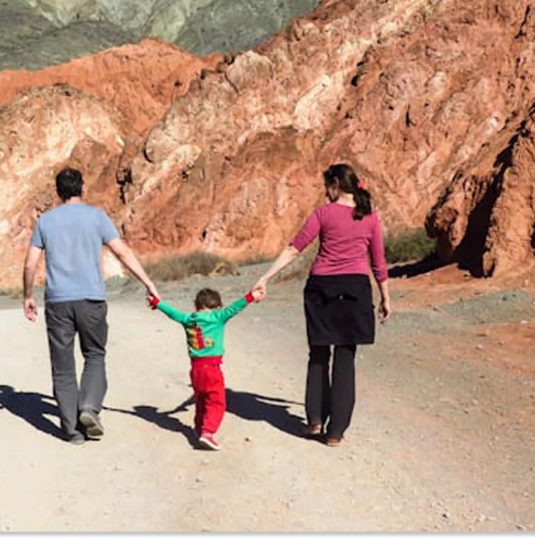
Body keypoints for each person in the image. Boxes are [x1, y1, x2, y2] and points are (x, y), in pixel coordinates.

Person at [250, 163, 391, 446]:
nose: (326, 192)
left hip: (321, 288)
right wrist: (386, 297)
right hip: (355, 289)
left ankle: (315, 421)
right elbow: (378, 262)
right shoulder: (371, 218)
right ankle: (335, 432)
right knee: (345, 357)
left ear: (336, 183)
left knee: (318, 354)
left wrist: (265, 277)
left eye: (327, 186)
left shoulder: (323, 214)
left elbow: (295, 248)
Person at [23, 167, 160, 445]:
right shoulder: (97, 217)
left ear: (58, 192)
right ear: (83, 188)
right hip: (92, 299)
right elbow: (121, 251)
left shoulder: (45, 222)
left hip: (58, 302)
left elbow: (30, 263)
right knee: (95, 355)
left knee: (63, 367)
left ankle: (72, 431)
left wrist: (28, 295)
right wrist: (147, 282)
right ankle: (89, 407)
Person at [146, 286, 263, 450]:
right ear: (218, 306)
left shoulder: (188, 318)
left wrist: (157, 302)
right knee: (216, 402)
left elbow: (172, 312)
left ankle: (199, 428)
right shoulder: (218, 316)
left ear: (196, 306)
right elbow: (236, 307)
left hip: (195, 370)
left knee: (201, 399)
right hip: (212, 369)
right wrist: (252, 296)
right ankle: (208, 432)